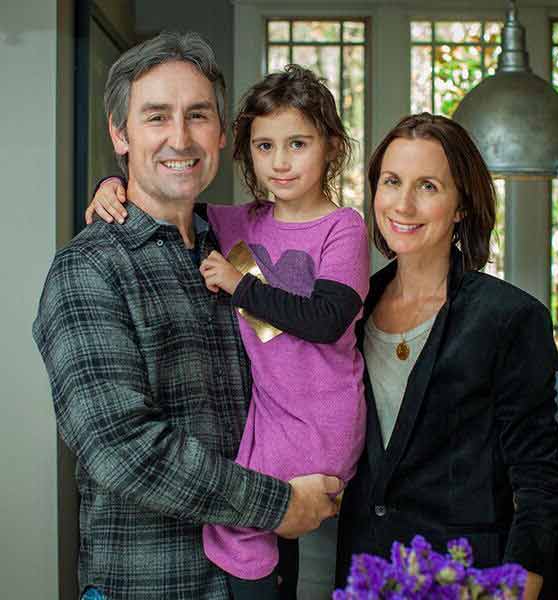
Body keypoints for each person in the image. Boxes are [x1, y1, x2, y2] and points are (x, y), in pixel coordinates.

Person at [33, 32, 342, 600]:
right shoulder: (87, 272)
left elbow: (304, 366)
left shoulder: (238, 252)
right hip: (153, 584)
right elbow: (123, 448)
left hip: (261, 577)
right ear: (119, 133)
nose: (180, 137)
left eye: (197, 115)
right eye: (156, 117)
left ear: (223, 136)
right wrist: (278, 505)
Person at [334, 113, 558, 600]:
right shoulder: (349, 312)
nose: (403, 203)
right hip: (366, 574)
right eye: (392, 182)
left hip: (465, 580)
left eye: (428, 186)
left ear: (461, 205)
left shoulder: (510, 318)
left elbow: (538, 478)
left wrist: (521, 585)